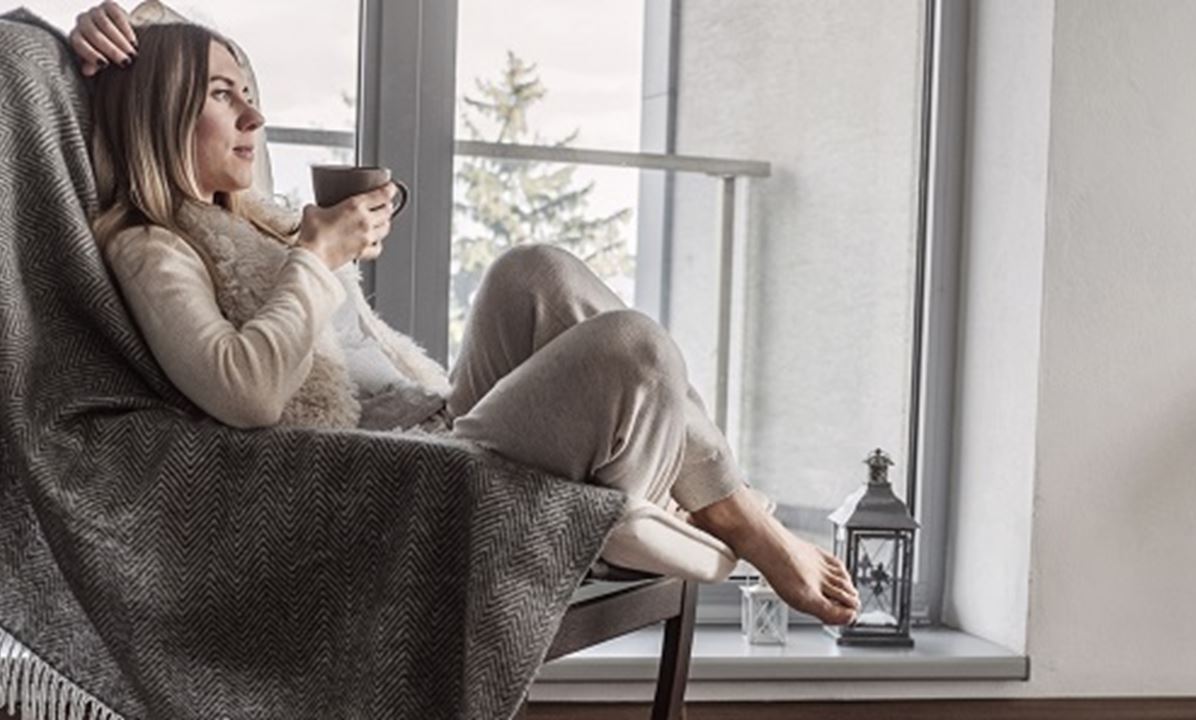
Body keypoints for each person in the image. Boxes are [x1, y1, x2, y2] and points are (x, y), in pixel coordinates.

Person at [71, 0, 861, 626]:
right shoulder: (153, 246)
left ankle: (650, 510)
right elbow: (243, 393)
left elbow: (170, 52)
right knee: (634, 350)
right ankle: (689, 517)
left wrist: (312, 243)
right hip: (396, 489)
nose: (255, 118)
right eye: (222, 98)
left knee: (535, 271)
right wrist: (318, 258)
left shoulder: (259, 219)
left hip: (439, 427)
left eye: (253, 95)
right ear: (159, 112)